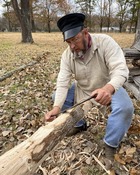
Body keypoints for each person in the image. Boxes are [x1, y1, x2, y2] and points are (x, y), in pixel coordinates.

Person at [45, 13, 134, 168]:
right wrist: (56, 108)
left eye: (75, 40)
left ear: (85, 32)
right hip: (83, 89)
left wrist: (108, 88)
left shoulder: (105, 42)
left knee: (126, 108)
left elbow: (121, 70)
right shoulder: (67, 55)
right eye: (68, 42)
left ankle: (110, 144)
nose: (72, 46)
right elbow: (63, 82)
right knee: (57, 97)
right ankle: (79, 124)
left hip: (109, 86)